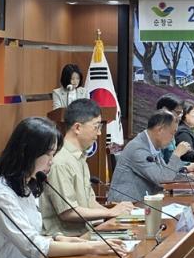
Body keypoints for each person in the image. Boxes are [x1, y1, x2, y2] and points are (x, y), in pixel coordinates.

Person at [0, 117, 127, 258]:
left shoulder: (27, 186)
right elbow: (33, 247)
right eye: (49, 154)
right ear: (29, 153)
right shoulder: (1, 194)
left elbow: (31, 232)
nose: (51, 161)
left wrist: (57, 238)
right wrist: (93, 247)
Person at [39, 99, 134, 237]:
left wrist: (118, 214)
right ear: (77, 128)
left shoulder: (80, 157)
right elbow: (68, 212)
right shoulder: (61, 162)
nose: (99, 133)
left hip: (85, 235)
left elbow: (90, 203)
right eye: (96, 127)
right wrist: (110, 212)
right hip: (66, 240)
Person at [108, 110, 192, 202]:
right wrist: (176, 154)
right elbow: (163, 180)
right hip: (125, 205)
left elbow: (165, 172)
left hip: (144, 202)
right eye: (172, 133)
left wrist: (193, 180)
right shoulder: (138, 148)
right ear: (160, 130)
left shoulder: (153, 145)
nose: (172, 139)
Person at [155, 94, 183, 164]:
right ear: (165, 110)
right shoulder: (157, 133)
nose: (180, 117)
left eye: (181, 114)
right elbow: (162, 165)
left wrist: (190, 165)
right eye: (178, 113)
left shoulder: (170, 131)